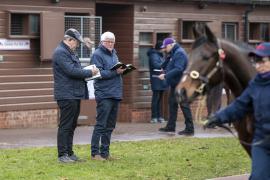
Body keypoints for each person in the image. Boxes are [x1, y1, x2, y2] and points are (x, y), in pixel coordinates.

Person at [204, 42, 270, 180]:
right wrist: (218, 117)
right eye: (256, 61)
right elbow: (240, 105)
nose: (258, 65)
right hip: (262, 142)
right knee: (258, 177)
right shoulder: (256, 84)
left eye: (262, 61)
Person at [52, 28, 99, 163]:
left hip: (73, 93)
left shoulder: (68, 52)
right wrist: (90, 73)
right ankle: (62, 155)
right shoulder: (61, 53)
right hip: (66, 94)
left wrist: (87, 72)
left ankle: (69, 153)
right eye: (76, 42)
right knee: (65, 125)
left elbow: (76, 70)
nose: (77, 44)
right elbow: (71, 71)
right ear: (69, 40)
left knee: (72, 125)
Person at [90, 31, 125, 160]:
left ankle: (105, 153)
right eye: (108, 41)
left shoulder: (114, 54)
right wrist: (116, 72)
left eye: (112, 41)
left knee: (110, 126)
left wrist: (121, 71)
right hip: (104, 94)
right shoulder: (97, 54)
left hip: (115, 93)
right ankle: (95, 153)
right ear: (102, 42)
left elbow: (113, 72)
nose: (110, 44)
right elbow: (97, 74)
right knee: (101, 124)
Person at [158, 38, 194, 135]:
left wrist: (165, 75)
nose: (165, 49)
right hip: (175, 84)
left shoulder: (179, 53)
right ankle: (170, 127)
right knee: (172, 104)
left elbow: (179, 69)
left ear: (171, 45)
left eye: (166, 47)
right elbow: (169, 63)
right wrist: (163, 65)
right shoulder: (174, 52)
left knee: (184, 105)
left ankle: (190, 129)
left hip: (181, 84)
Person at [147, 41, 168, 123]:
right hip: (156, 79)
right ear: (160, 48)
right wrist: (165, 64)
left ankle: (159, 116)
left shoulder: (160, 55)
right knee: (155, 99)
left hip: (161, 79)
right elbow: (156, 65)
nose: (164, 49)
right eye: (163, 48)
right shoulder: (153, 55)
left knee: (160, 99)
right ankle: (154, 117)